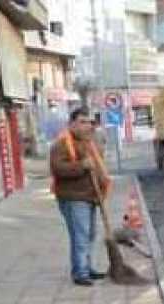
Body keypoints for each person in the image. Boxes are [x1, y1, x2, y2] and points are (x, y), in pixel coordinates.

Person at [50, 108, 110, 286]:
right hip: (73, 197)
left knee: (90, 234)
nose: (87, 126)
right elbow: (58, 169)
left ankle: (86, 267)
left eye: (89, 122)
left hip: (89, 196)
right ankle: (80, 272)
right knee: (81, 235)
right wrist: (81, 165)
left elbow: (97, 166)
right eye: (82, 122)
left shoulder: (88, 142)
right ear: (72, 124)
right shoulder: (61, 144)